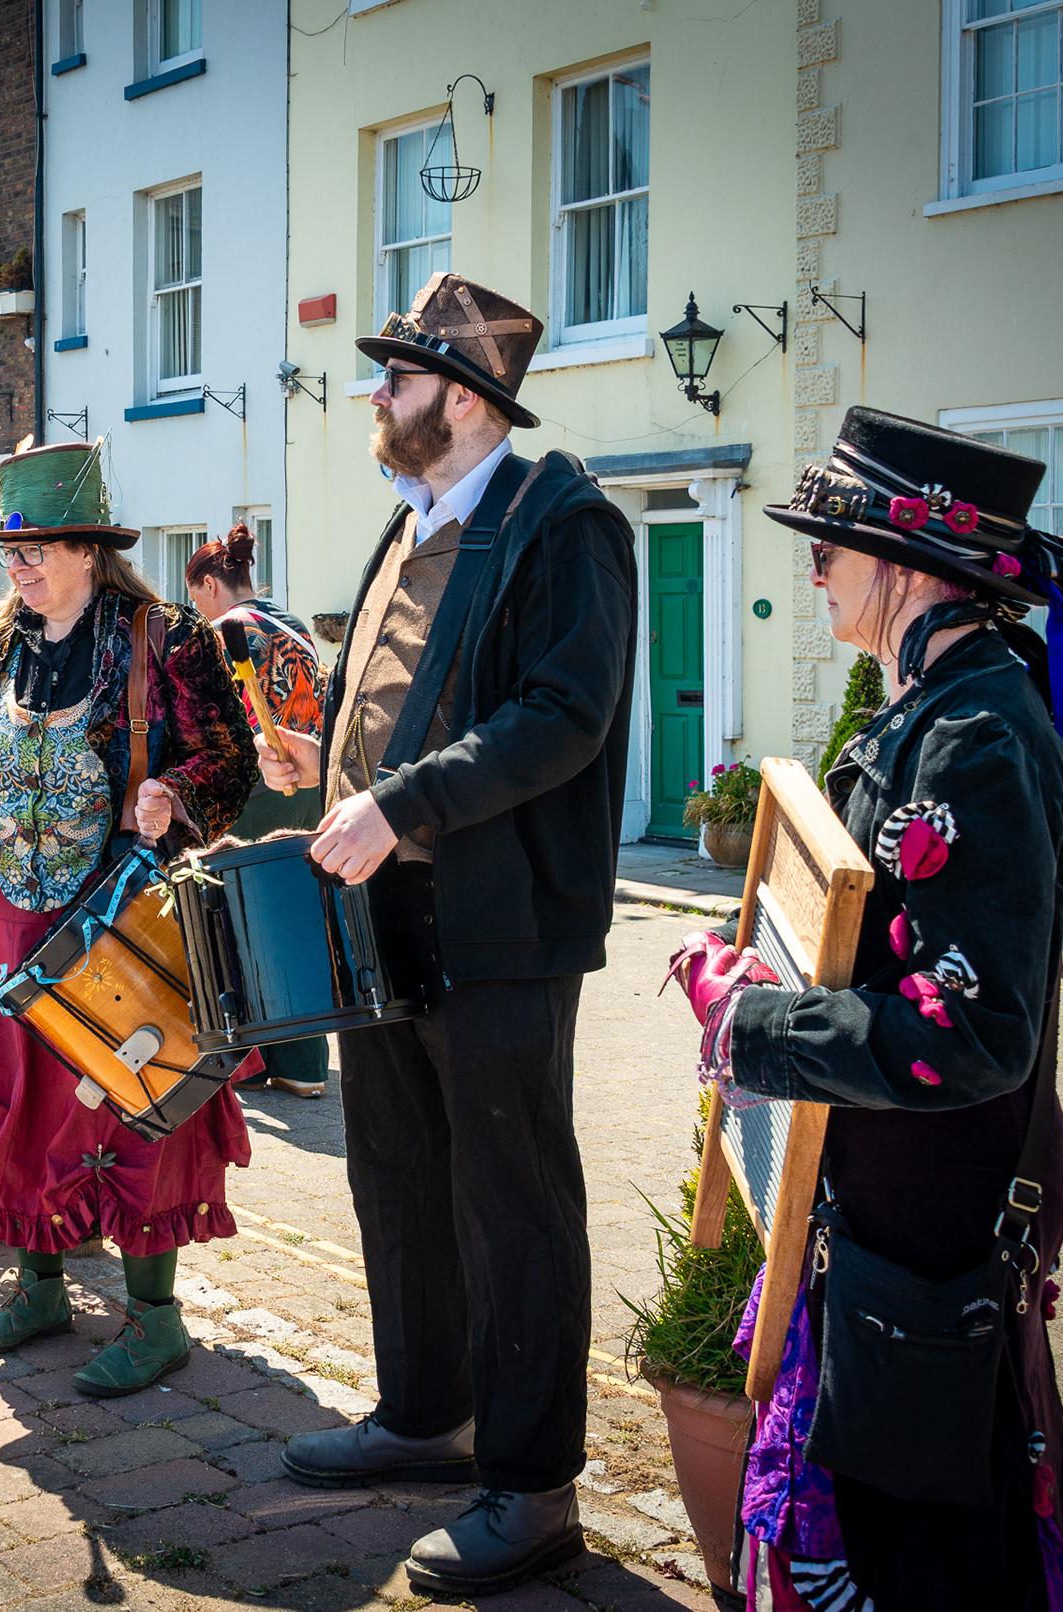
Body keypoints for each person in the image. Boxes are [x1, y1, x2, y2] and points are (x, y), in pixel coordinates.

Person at [667, 409, 1063, 1610]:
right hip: (883, 1229)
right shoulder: (922, 708)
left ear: (908, 570)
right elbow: (876, 953)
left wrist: (745, 1028)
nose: (813, 568)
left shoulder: (976, 737)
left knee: (932, 1564)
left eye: (829, 548)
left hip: (932, 1245)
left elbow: (968, 1030)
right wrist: (763, 977)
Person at [255, 272, 637, 1597]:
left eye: (399, 377)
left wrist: (398, 798)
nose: (375, 393)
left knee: (512, 1206)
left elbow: (559, 715)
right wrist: (325, 758)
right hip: (386, 921)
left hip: (500, 928)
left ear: (467, 404)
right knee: (401, 1180)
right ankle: (428, 1417)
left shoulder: (562, 524)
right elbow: (397, 696)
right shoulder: (413, 522)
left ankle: (533, 1489)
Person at [0, 439, 257, 1396]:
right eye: (8, 553)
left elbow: (228, 762)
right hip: (6, 924)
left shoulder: (166, 640)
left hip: (122, 924)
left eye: (37, 551)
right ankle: (40, 1287)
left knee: (137, 1102)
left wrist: (174, 795)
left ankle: (156, 1318)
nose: (17, 569)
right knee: (10, 1103)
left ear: (91, 552)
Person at [185, 522, 328, 1098]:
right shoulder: (296, 629)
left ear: (209, 584)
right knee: (298, 916)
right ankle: (305, 1064)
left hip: (249, 788)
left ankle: (245, 1057)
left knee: (233, 919)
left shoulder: (220, 632)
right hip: (309, 781)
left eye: (193, 594)